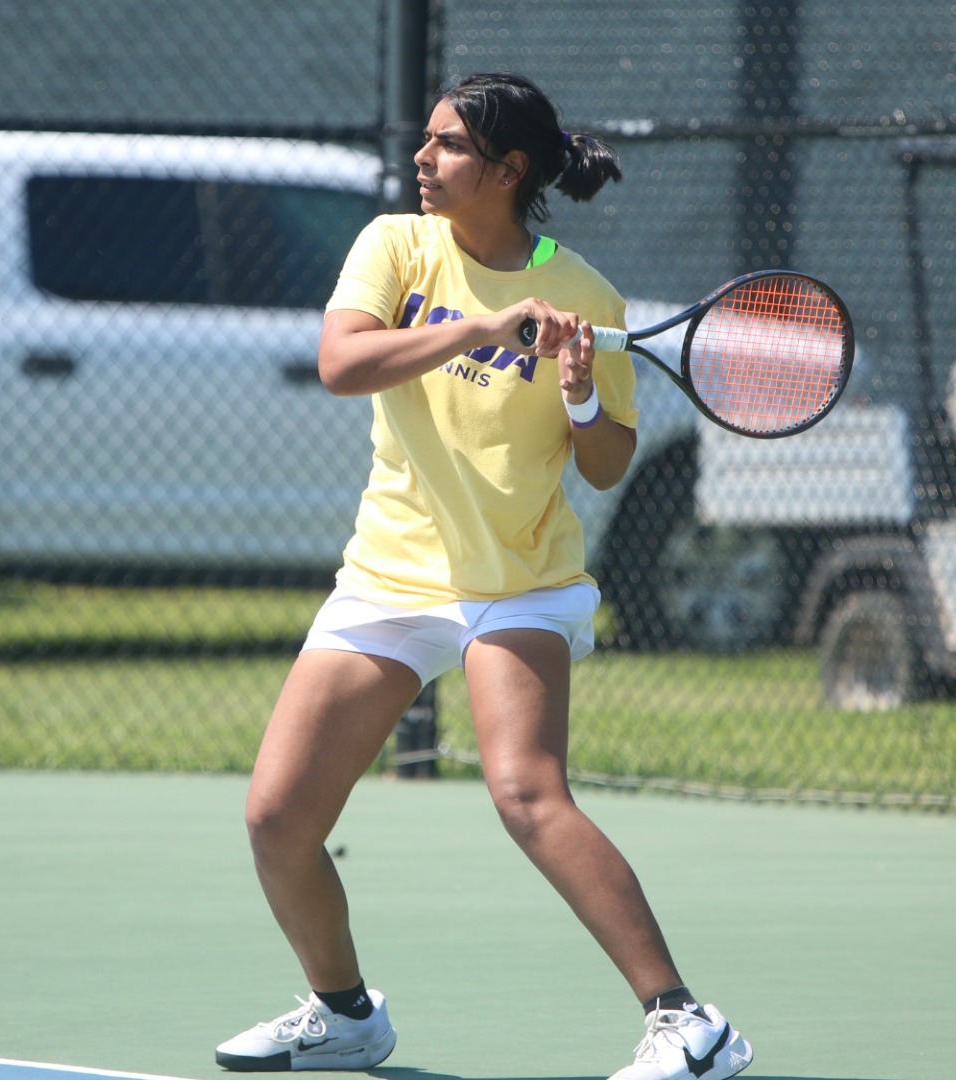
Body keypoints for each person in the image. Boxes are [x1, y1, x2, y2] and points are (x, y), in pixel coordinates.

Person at [214, 72, 752, 1080]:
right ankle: (345, 1015)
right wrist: (470, 329)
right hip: (391, 574)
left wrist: (584, 396)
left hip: (520, 582)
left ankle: (689, 1024)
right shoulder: (395, 246)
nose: (424, 159)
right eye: (426, 141)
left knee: (525, 792)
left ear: (508, 171)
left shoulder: (586, 295)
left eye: (449, 146)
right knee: (276, 817)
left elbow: (605, 463)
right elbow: (342, 362)